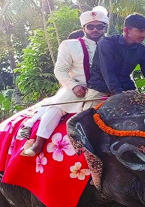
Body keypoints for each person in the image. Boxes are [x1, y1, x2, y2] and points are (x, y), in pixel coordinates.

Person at [21, 8, 109, 156]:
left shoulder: (113, 45)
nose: (95, 30)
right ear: (83, 28)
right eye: (90, 26)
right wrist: (74, 86)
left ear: (104, 28)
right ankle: (38, 143)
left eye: (99, 26)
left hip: (106, 90)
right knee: (56, 107)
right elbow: (60, 70)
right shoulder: (69, 45)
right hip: (79, 89)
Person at [85, 13, 145, 109]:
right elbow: (108, 72)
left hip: (126, 88)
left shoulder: (143, 50)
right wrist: (119, 95)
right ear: (126, 30)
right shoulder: (106, 43)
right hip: (100, 88)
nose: (143, 35)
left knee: (142, 115)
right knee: (87, 119)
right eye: (140, 31)